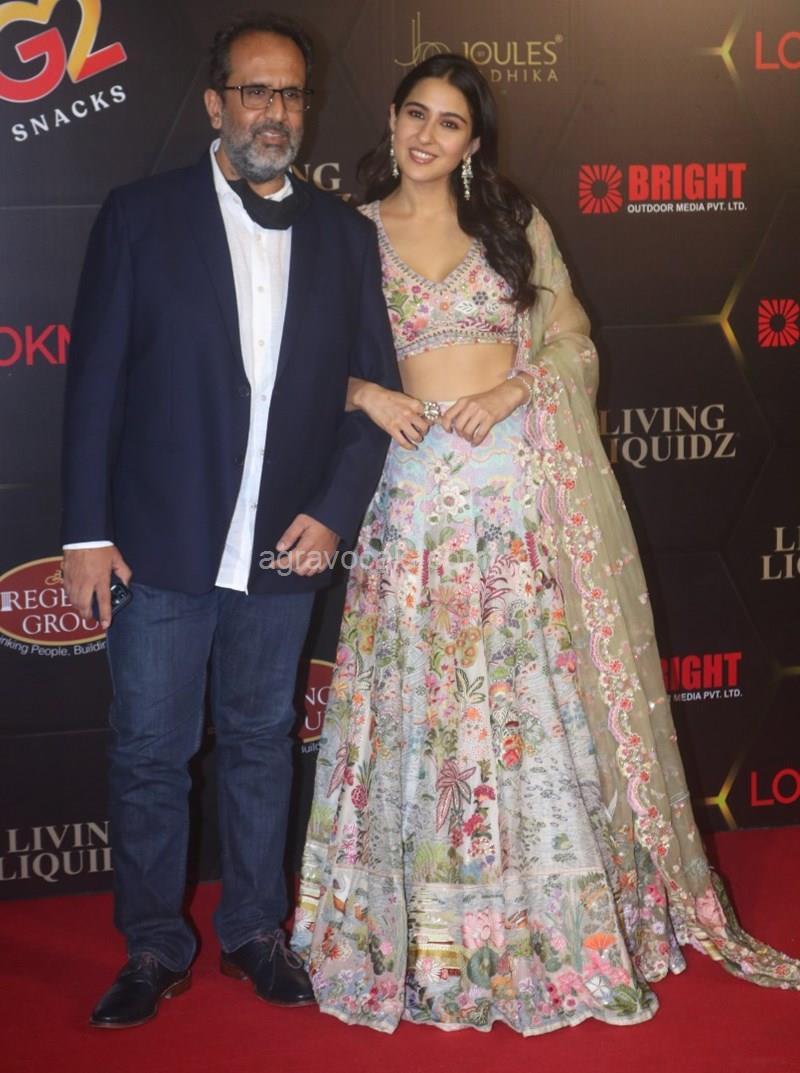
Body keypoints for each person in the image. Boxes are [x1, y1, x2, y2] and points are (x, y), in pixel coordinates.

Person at [291, 54, 800, 1034]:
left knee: (525, 704)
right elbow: (301, 362)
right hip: (413, 508)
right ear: (391, 120)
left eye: (449, 122)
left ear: (474, 141)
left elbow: (572, 339)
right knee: (425, 707)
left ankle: (552, 930)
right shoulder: (350, 233)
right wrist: (366, 394)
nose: (427, 136)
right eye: (414, 114)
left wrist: (512, 389)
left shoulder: (511, 225)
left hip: (514, 497)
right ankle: (424, 939)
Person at [60, 14, 399, 1029]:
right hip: (160, 541)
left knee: (260, 740)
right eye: (254, 91)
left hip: (284, 545)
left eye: (289, 93)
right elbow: (94, 385)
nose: (273, 111)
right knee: (149, 752)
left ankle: (255, 930)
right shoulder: (140, 215)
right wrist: (85, 532)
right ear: (216, 104)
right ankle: (153, 944)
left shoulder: (346, 236)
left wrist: (333, 513)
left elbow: (372, 396)